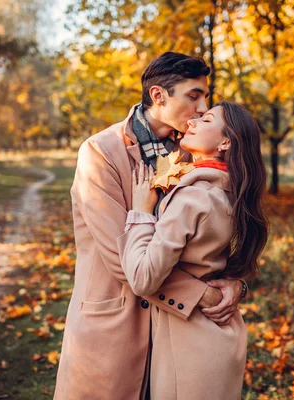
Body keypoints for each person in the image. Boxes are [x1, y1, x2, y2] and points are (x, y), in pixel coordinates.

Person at [53, 52, 246, 400]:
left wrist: (236, 283)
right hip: (115, 325)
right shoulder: (100, 153)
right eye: (194, 95)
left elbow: (213, 236)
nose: (203, 107)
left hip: (175, 335)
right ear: (159, 96)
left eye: (205, 96)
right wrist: (203, 294)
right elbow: (120, 258)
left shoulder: (191, 151)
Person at [117, 101, 270, 400]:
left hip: (189, 349)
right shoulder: (228, 192)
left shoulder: (192, 198)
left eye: (206, 119)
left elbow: (143, 279)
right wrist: (238, 285)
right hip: (217, 339)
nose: (192, 122)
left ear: (225, 142)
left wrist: (141, 213)